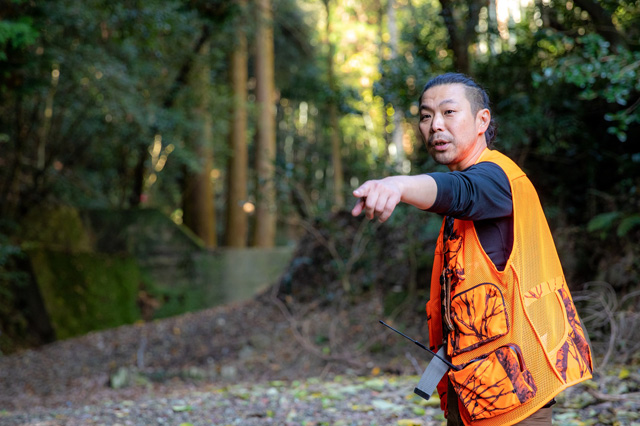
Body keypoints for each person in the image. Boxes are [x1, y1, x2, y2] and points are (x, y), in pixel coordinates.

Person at [351, 73, 593, 426]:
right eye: (425, 115)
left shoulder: (497, 180)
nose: (435, 125)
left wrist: (399, 184)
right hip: (479, 392)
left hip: (517, 401)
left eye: (449, 112)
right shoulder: (470, 188)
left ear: (483, 120)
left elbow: (460, 191)